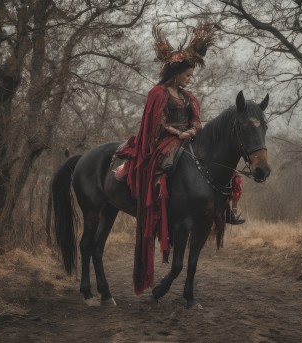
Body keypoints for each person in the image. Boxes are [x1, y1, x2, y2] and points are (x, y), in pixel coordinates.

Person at [115, 22, 243, 294]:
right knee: (168, 160)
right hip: (164, 140)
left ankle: (223, 207)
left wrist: (194, 130)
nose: (190, 78)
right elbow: (156, 123)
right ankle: (161, 201)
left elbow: (197, 120)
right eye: (187, 74)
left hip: (189, 137)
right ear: (175, 73)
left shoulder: (189, 97)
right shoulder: (158, 93)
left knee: (221, 168)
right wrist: (178, 133)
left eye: (191, 74)